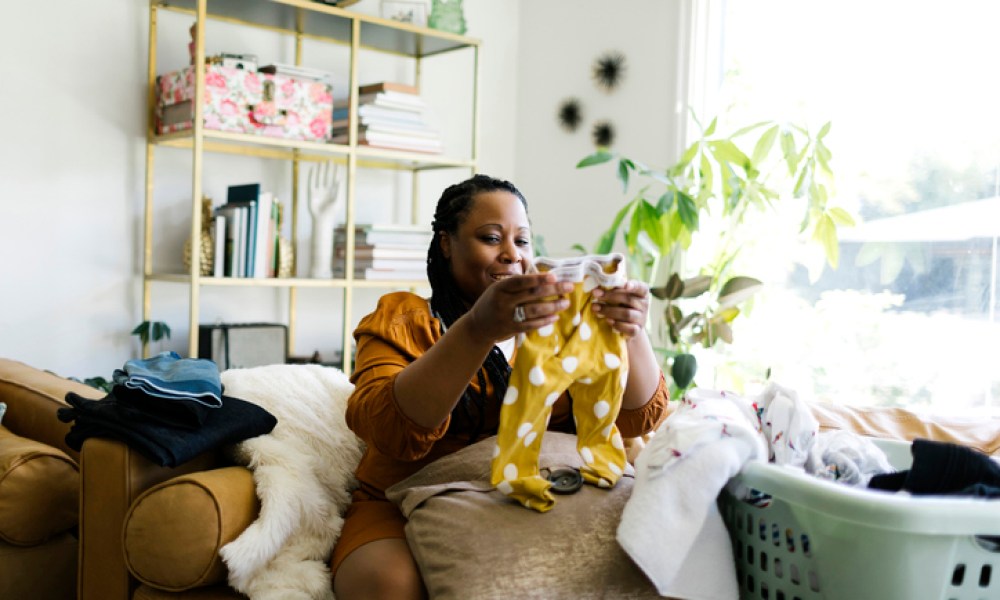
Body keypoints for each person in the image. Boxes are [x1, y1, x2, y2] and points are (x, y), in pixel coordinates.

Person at [331, 174, 669, 599]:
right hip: (406, 497)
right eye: (492, 238)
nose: (511, 254)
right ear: (446, 244)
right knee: (388, 583)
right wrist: (477, 329)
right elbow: (388, 430)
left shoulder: (566, 322)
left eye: (522, 241)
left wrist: (630, 330)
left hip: (543, 491)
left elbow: (638, 419)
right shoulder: (402, 319)